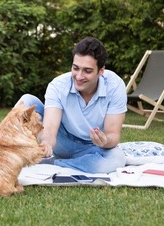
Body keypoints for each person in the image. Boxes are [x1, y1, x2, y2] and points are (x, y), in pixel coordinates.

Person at [16, 37, 127, 173]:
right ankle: (8, 154)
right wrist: (46, 144)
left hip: (92, 147)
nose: (79, 76)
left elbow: (113, 135)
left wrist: (104, 141)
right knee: (26, 101)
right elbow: (50, 130)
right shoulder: (58, 86)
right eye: (76, 68)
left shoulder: (115, 86)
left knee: (117, 159)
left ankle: (56, 164)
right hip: (62, 141)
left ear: (101, 71)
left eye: (87, 71)